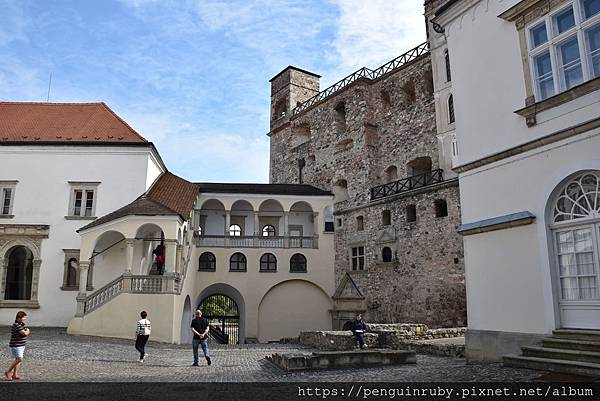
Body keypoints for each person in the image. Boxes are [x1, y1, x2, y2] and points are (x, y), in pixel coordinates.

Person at [4, 311, 30, 381]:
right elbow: (24, 333)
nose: (25, 319)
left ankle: (15, 375)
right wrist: (28, 330)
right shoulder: (16, 325)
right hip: (16, 345)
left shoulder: (21, 324)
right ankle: (8, 372)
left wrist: (26, 330)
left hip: (21, 345)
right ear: (19, 318)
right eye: (24, 317)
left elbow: (24, 332)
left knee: (18, 360)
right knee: (19, 359)